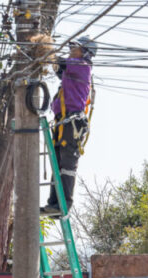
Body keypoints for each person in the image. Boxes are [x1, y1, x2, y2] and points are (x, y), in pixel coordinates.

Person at [42, 36, 96, 218]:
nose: (71, 49)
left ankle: (64, 204)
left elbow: (60, 63)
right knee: (57, 163)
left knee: (66, 165)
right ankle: (53, 204)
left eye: (76, 48)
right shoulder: (73, 69)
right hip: (62, 122)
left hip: (71, 123)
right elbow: (59, 69)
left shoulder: (82, 66)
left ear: (85, 53)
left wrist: (45, 49)